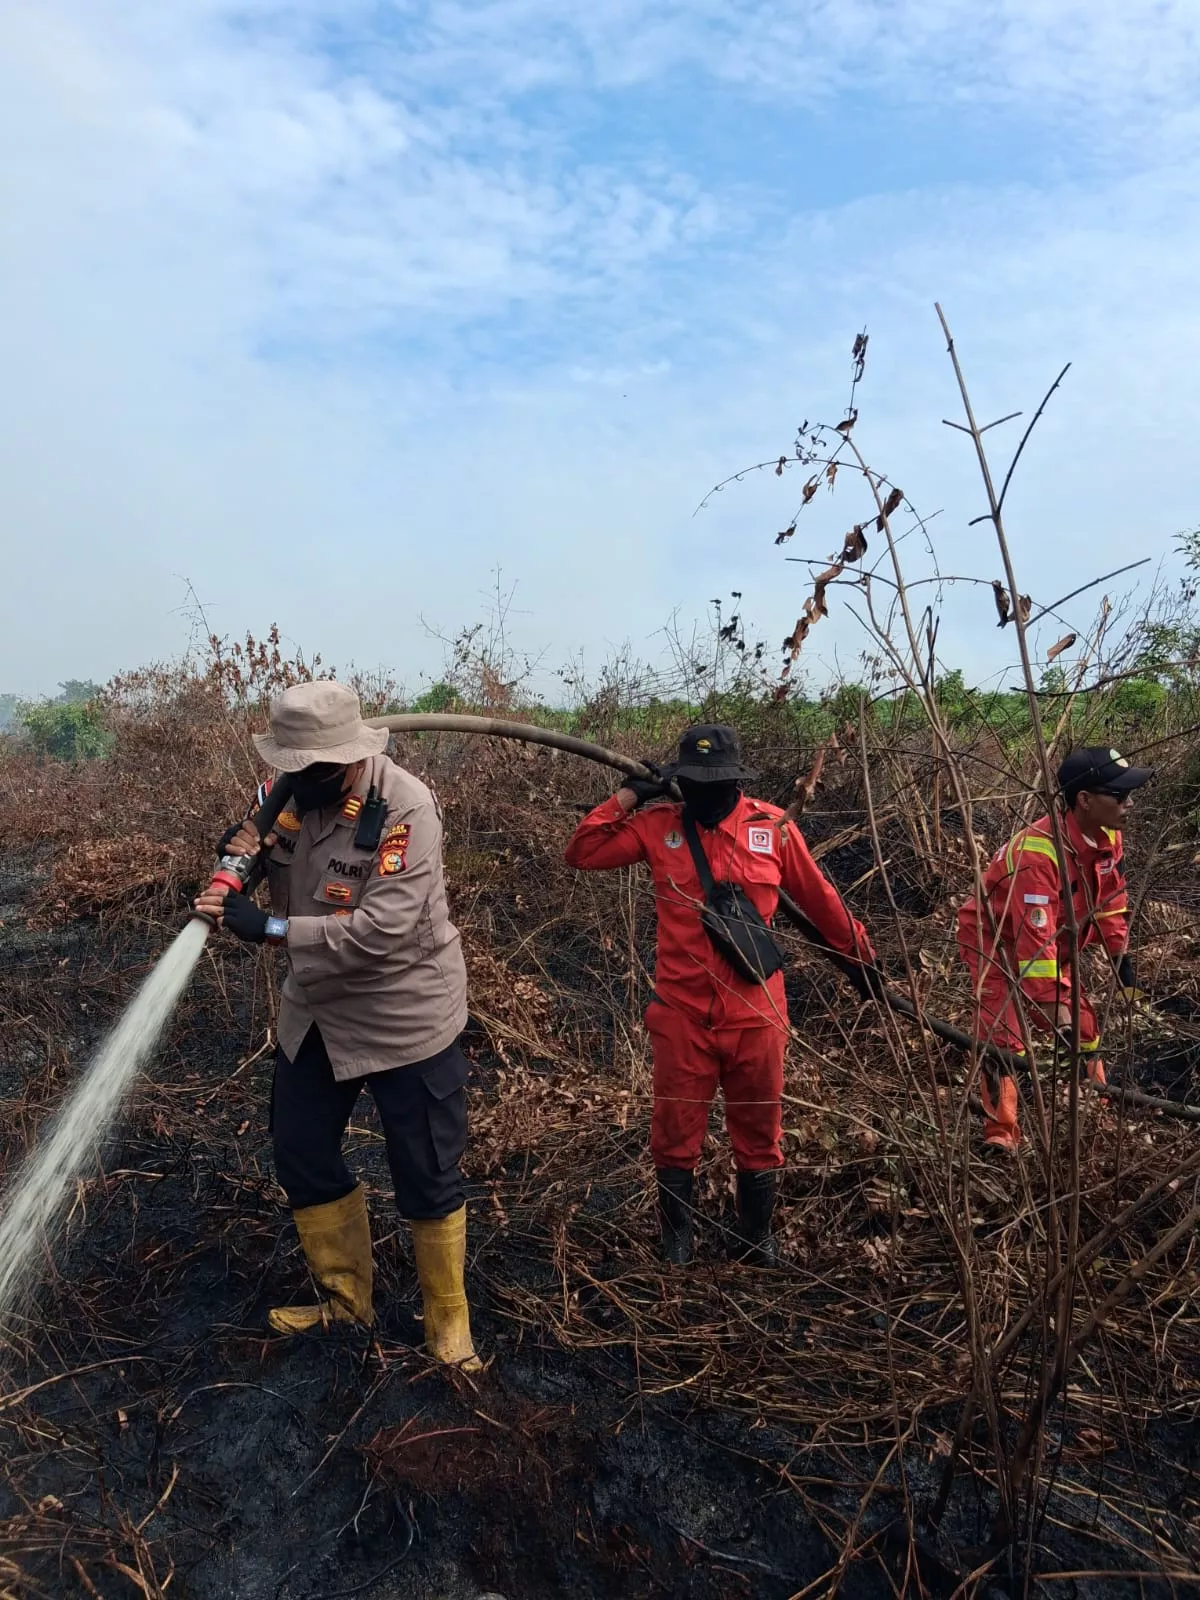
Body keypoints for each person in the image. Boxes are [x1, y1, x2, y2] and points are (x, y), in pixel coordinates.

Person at [193, 681, 480, 1369]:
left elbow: (382, 930)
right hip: (317, 1011)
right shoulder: (284, 794)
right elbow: (261, 856)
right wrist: (237, 864)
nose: (302, 780)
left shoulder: (406, 806)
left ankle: (448, 1326)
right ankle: (347, 1302)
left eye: (315, 770)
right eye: (291, 768)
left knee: (426, 1169)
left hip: (402, 1012)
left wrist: (268, 928)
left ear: (351, 757)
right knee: (300, 1149)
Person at [564, 724, 876, 1266]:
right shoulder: (658, 826)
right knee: (674, 1133)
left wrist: (863, 961)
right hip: (681, 1015)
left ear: (737, 780)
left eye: (717, 782)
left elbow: (822, 901)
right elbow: (582, 852)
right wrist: (631, 794)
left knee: (759, 1131)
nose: (707, 793)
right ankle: (677, 1242)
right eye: (696, 782)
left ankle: (756, 1238)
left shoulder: (771, 828)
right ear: (682, 780)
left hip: (757, 1014)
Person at [956, 746, 1154, 1153]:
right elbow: (1034, 950)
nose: (1129, 804)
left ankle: (1095, 1110)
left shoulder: (1109, 837)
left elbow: (1111, 903)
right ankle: (1001, 1135)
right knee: (1002, 1034)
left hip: (1052, 943)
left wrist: (1123, 969)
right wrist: (1058, 1022)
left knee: (1085, 1027)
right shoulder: (1037, 855)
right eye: (1119, 796)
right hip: (997, 944)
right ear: (1084, 800)